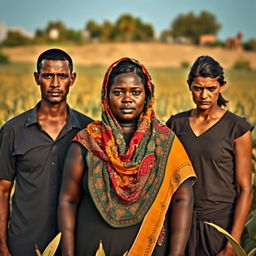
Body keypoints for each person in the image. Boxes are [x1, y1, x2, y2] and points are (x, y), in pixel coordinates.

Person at [58, 57, 196, 256]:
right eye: (118, 92)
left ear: (147, 96)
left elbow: (182, 199)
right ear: (106, 96)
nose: (127, 99)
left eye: (136, 92)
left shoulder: (165, 142)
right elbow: (68, 200)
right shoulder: (87, 142)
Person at [0, 48, 93, 256]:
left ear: (72, 79)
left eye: (62, 76)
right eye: (48, 76)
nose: (55, 84)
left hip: (74, 245)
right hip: (23, 245)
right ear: (37, 78)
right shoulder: (12, 131)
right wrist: (2, 247)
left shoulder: (89, 131)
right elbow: (2, 191)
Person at [166, 55, 254, 256]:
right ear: (189, 86)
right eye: (198, 88)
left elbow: (245, 189)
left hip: (219, 227)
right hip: (180, 223)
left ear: (221, 86)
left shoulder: (237, 128)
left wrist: (233, 243)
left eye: (211, 88)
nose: (204, 95)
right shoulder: (176, 124)